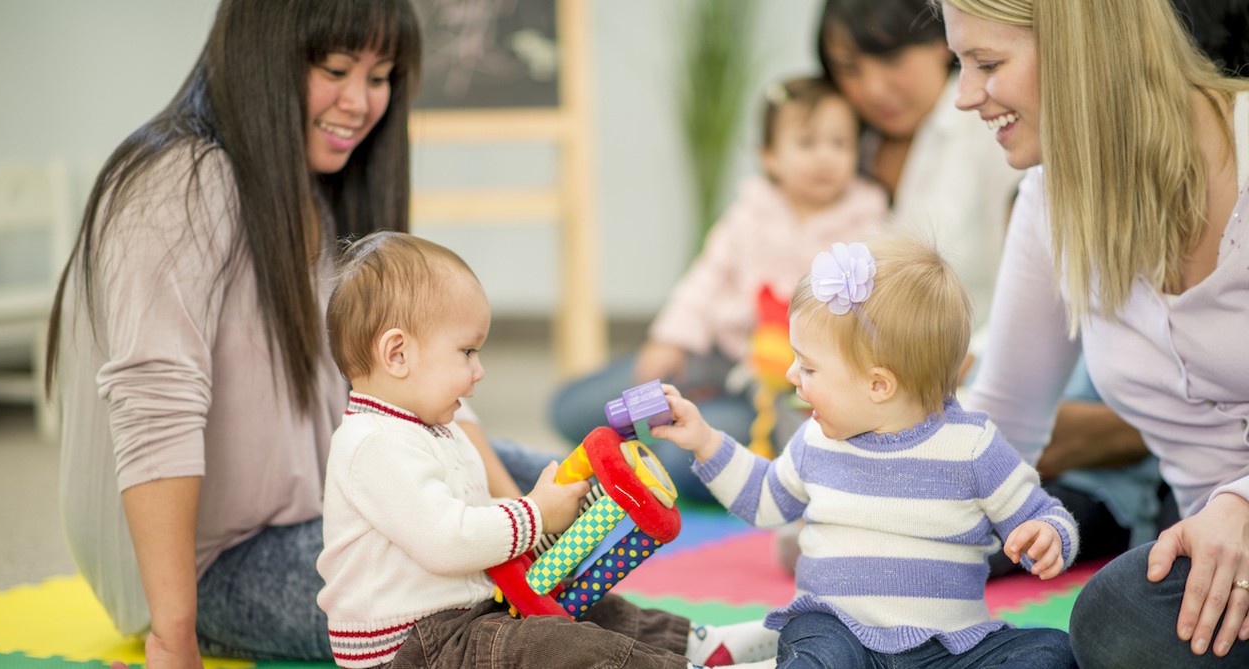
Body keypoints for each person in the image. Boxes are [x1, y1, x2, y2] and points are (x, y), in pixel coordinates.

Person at [43, 0, 548, 664]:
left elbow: (419, 383)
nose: (361, 102)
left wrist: (519, 511)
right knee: (497, 554)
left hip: (325, 504)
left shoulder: (314, 186)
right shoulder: (178, 182)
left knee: (567, 483)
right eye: (336, 68)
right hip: (217, 562)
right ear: (261, 59)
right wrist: (173, 634)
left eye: (380, 75)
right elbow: (155, 407)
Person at [792, 0, 1163, 582]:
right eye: (848, 70)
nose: (964, 95)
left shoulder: (1012, 151)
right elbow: (1009, 407)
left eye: (985, 63)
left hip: (1032, 403)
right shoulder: (1040, 187)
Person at [938, 0, 1249, 664]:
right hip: (1213, 567)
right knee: (1121, 619)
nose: (965, 96)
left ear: (1083, 48)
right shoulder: (1051, 201)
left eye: (987, 64)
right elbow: (1002, 423)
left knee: (1116, 616)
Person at [316, 230, 778, 669]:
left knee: (584, 602)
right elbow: (448, 541)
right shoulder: (373, 444)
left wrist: (539, 515)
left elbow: (468, 515)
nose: (479, 371)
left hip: (461, 618)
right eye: (466, 352)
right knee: (551, 644)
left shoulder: (434, 429)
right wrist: (533, 512)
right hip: (411, 650)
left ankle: (703, 643)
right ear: (397, 354)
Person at [653, 236, 1080, 668]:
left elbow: (1042, 513)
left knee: (1054, 652)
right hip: (837, 634)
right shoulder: (815, 440)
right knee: (816, 650)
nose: (790, 375)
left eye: (808, 367)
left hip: (946, 649)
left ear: (879, 385)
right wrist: (705, 441)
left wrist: (1049, 535)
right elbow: (765, 497)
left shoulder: (972, 448)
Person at [549, 75, 888, 504]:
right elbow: (705, 278)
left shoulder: (867, 220)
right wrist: (669, 340)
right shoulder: (750, 212)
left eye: (840, 144)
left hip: (775, 394)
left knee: (678, 461)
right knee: (571, 408)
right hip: (710, 357)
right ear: (770, 156)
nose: (826, 157)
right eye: (807, 143)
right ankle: (644, 433)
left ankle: (652, 447)